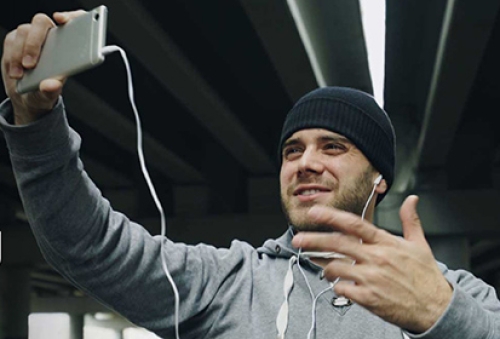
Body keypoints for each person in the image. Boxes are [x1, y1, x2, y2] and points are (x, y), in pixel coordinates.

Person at [1, 10, 499, 339]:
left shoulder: (456, 294)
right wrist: (36, 122)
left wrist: (444, 316)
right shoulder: (229, 283)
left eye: (333, 146)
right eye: (292, 150)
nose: (305, 162)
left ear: (379, 177)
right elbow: (85, 245)